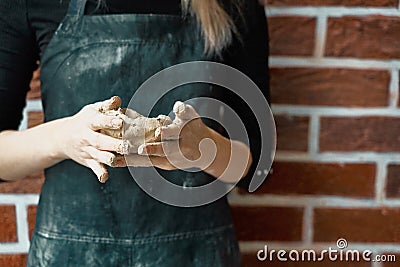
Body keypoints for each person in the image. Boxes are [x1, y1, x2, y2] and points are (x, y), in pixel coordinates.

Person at [0, 0, 269, 266]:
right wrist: (62, 139)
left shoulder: (232, 6)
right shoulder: (30, 4)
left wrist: (203, 148)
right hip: (71, 252)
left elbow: (255, 165)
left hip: (192, 251)